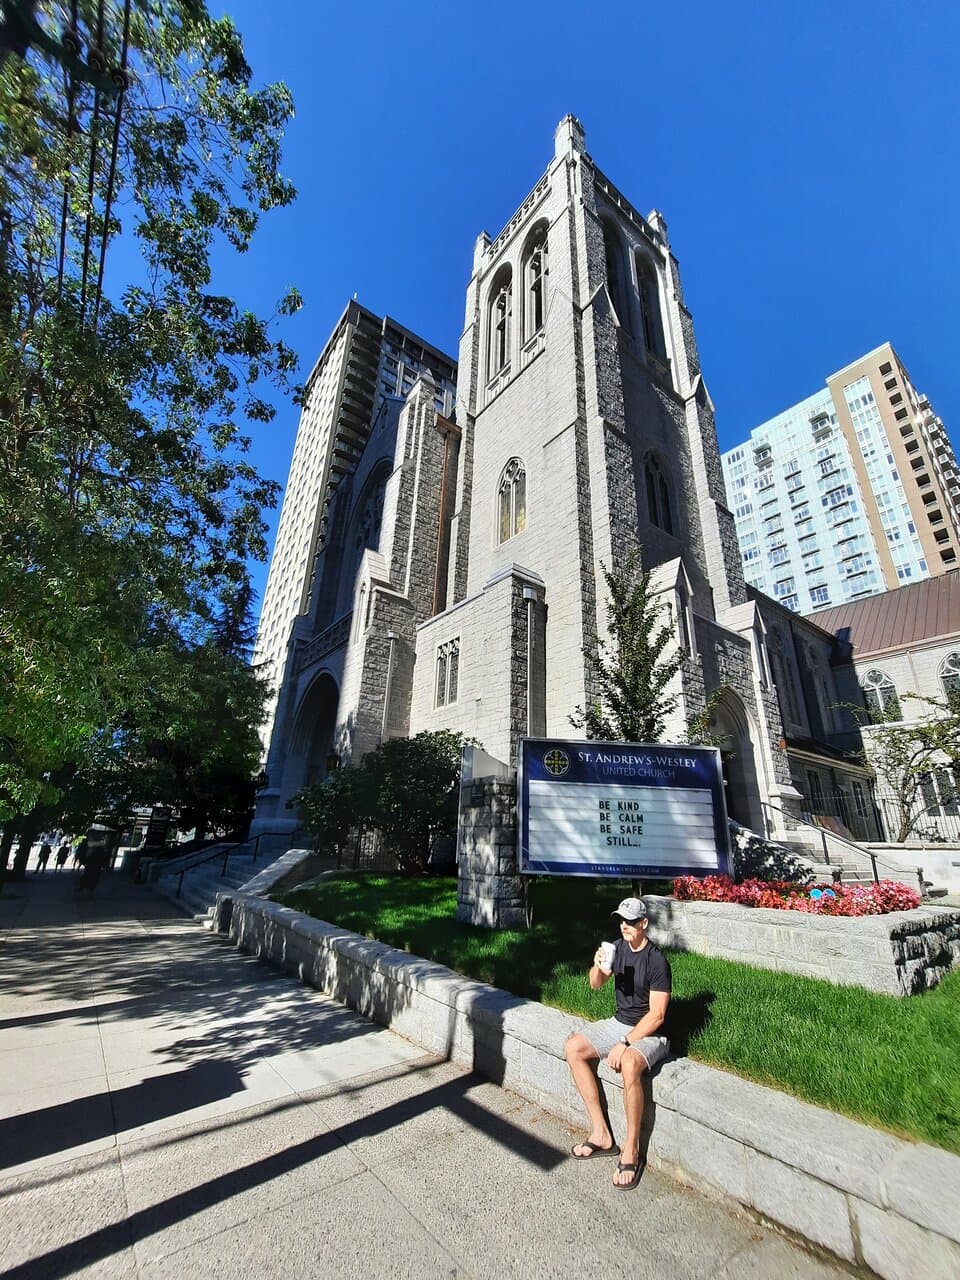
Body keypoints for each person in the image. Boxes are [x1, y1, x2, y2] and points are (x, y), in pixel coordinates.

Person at [564, 896, 671, 1191]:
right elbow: (595, 984)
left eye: (631, 922)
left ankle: (631, 1150)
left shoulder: (656, 961)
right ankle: (601, 1134)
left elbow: (658, 1015)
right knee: (573, 1047)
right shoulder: (618, 948)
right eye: (621, 921)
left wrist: (626, 1042)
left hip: (649, 1032)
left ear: (644, 924)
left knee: (629, 1062)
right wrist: (598, 966)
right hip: (619, 1023)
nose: (625, 926)